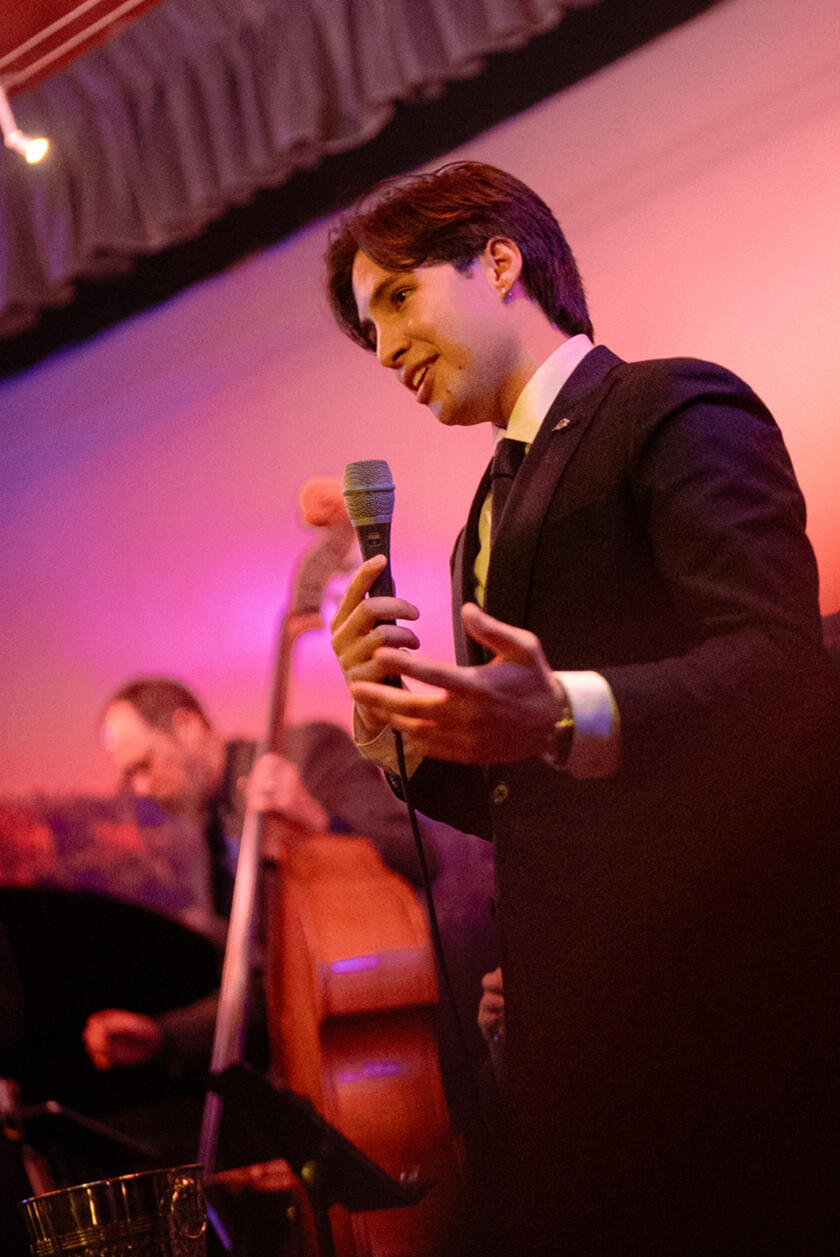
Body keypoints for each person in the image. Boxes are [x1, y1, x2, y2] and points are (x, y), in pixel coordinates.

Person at [324, 161, 840, 1255]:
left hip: (723, 1010)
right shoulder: (477, 519)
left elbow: (782, 671)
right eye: (369, 332)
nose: (386, 348)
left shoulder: (669, 404)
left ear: (500, 261)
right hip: (574, 1036)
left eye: (399, 299)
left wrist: (563, 710)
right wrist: (391, 725)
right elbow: (520, 792)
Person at [84, 676, 497, 1158]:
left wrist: (315, 818)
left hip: (420, 1043)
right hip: (320, 1074)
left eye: (144, 766)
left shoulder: (307, 752)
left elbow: (415, 853)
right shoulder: (210, 832)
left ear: (187, 725)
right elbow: (267, 981)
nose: (141, 788)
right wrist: (165, 1035)